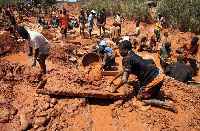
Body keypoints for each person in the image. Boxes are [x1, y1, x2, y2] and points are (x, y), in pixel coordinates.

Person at [109, 40, 177, 112]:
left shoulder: (128, 59)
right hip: (157, 74)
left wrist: (114, 88)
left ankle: (168, 104)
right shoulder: (132, 53)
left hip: (154, 79)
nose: (119, 52)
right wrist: (112, 80)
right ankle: (167, 93)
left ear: (126, 50)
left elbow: (124, 80)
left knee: (140, 98)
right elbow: (122, 71)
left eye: (120, 50)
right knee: (146, 91)